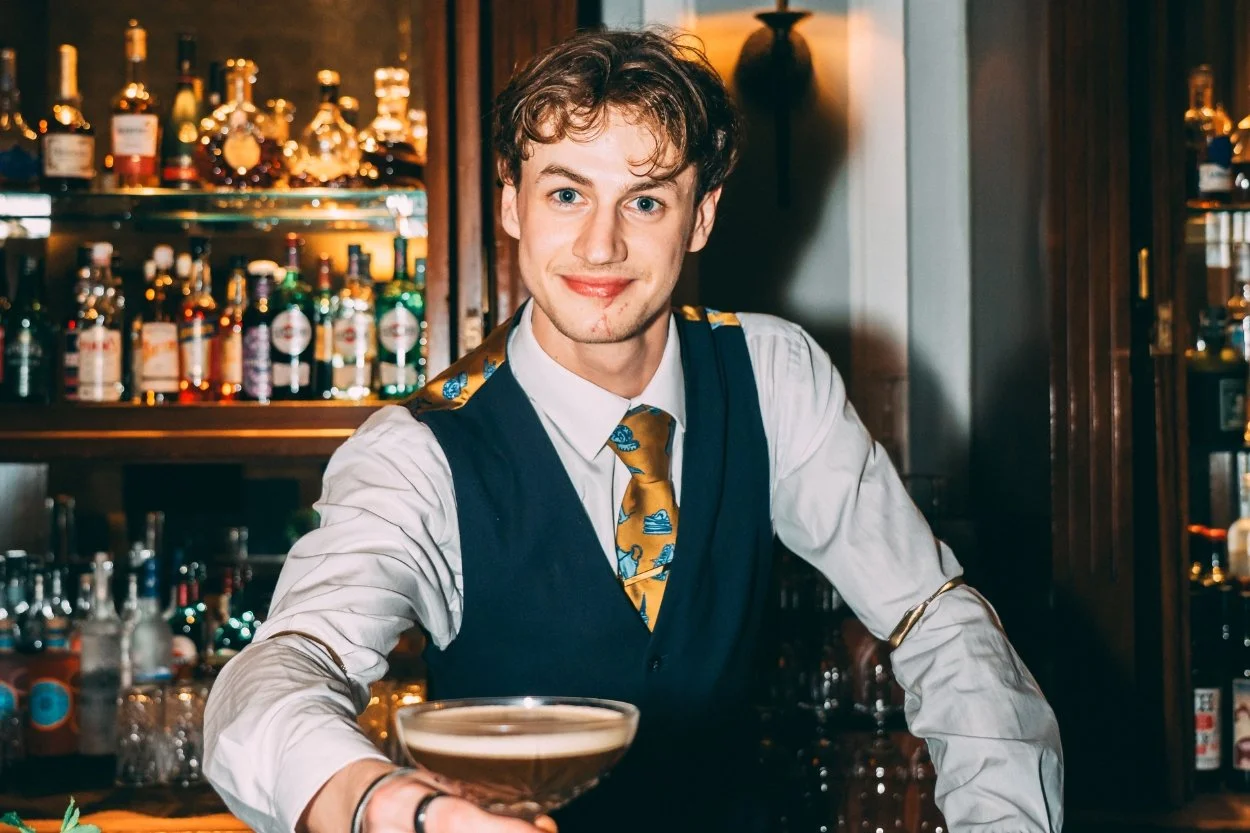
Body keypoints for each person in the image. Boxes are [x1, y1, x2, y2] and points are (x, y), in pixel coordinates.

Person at [203, 27, 1063, 833]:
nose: (600, 244)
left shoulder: (771, 374)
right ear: (512, 205)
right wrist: (388, 806)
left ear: (701, 218)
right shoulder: (420, 449)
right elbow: (282, 668)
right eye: (567, 192)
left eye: (645, 201)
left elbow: (935, 619)